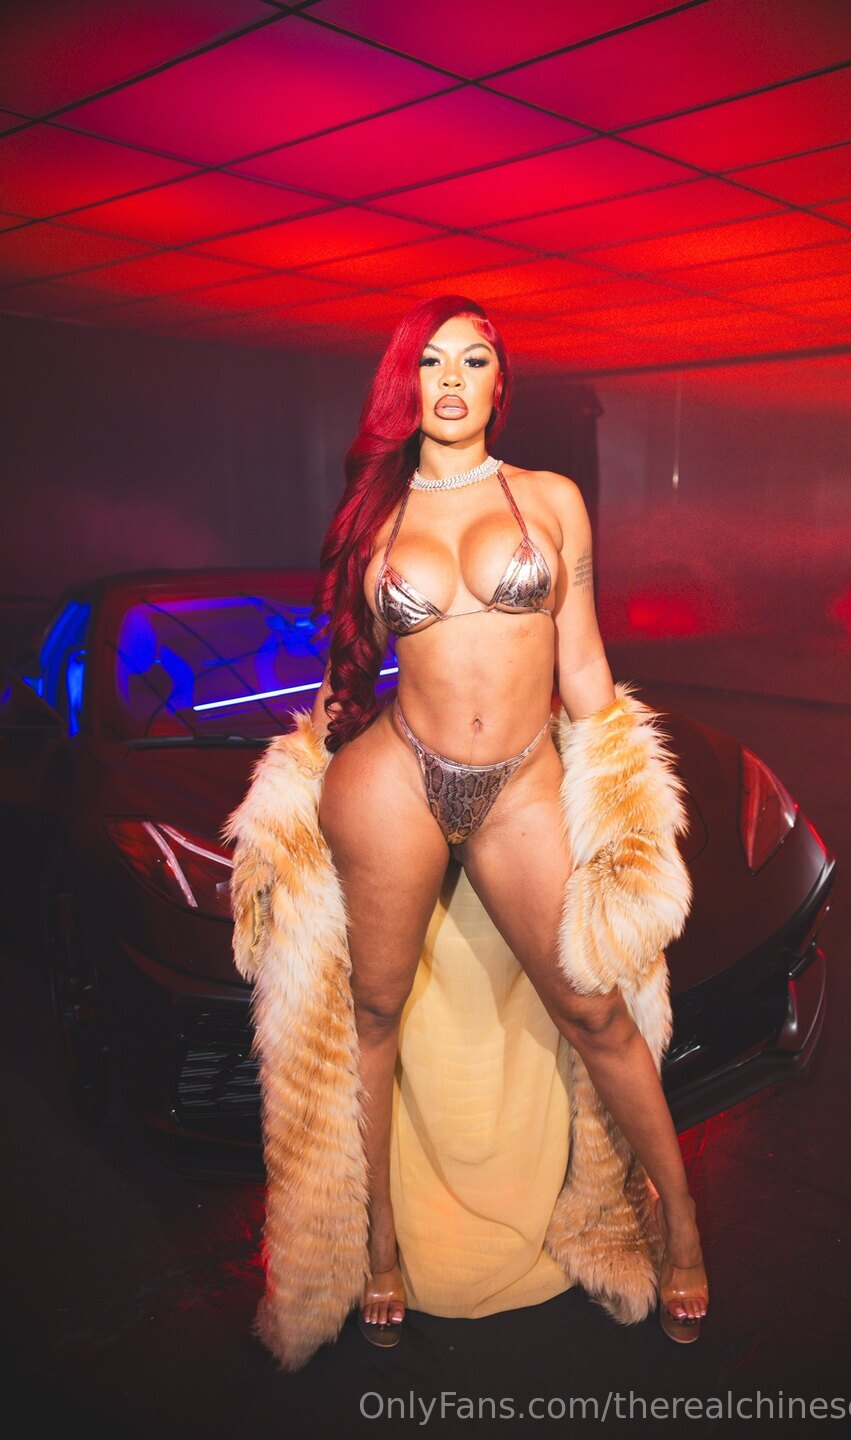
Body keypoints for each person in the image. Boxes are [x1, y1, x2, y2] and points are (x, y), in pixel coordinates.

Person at [225, 294, 707, 1371]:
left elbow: (584, 664)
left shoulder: (551, 499)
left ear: (500, 382)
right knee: (373, 1015)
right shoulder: (373, 516)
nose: (451, 379)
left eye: (473, 359)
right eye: (430, 362)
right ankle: (378, 1249)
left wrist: (626, 811)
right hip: (396, 779)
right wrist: (300, 786)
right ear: (406, 385)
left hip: (521, 781)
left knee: (597, 1013)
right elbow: (350, 668)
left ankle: (678, 1221)